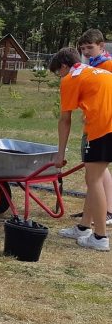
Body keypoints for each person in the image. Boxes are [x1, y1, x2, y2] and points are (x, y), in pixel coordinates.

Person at [50, 46, 112, 251]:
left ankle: (100, 237)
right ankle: (84, 226)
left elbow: (65, 120)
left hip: (101, 131)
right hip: (106, 128)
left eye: (59, 72)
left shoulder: (71, 78)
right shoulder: (100, 72)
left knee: (93, 181)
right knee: (95, 178)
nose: (60, 76)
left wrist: (60, 154)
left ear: (64, 66)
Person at [74, 28, 112, 223]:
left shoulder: (107, 65)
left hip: (104, 125)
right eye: (83, 48)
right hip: (94, 122)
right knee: (99, 169)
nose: (86, 52)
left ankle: (107, 210)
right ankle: (102, 208)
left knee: (96, 170)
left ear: (101, 46)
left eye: (90, 47)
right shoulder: (92, 65)